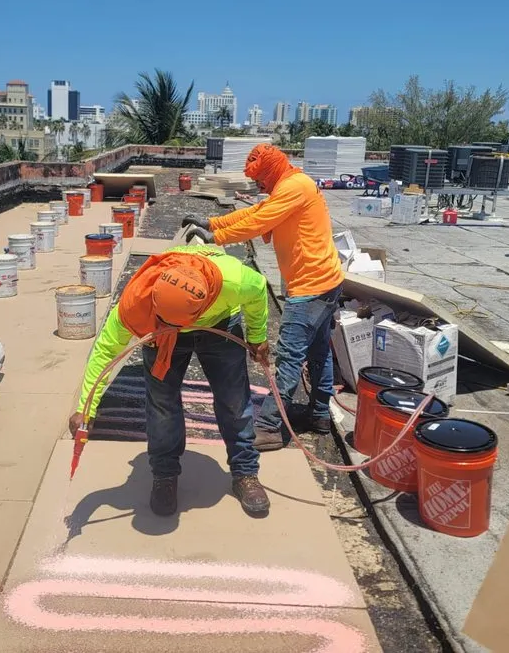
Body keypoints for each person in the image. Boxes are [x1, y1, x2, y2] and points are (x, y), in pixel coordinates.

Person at [68, 243, 272, 517]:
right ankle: (164, 475)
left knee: (234, 399)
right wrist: (86, 407)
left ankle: (245, 472)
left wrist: (258, 337)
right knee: (162, 405)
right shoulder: (137, 299)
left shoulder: (234, 281)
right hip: (160, 334)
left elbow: (258, 289)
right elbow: (105, 351)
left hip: (220, 322)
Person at [183, 143, 344, 451]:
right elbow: (257, 211)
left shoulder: (295, 187)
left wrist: (216, 237)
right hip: (326, 282)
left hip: (311, 287)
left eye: (260, 179)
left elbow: (260, 222)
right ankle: (320, 415)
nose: (258, 186)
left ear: (271, 171)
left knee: (290, 358)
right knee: (319, 351)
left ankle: (269, 427)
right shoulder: (289, 184)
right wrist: (212, 223)